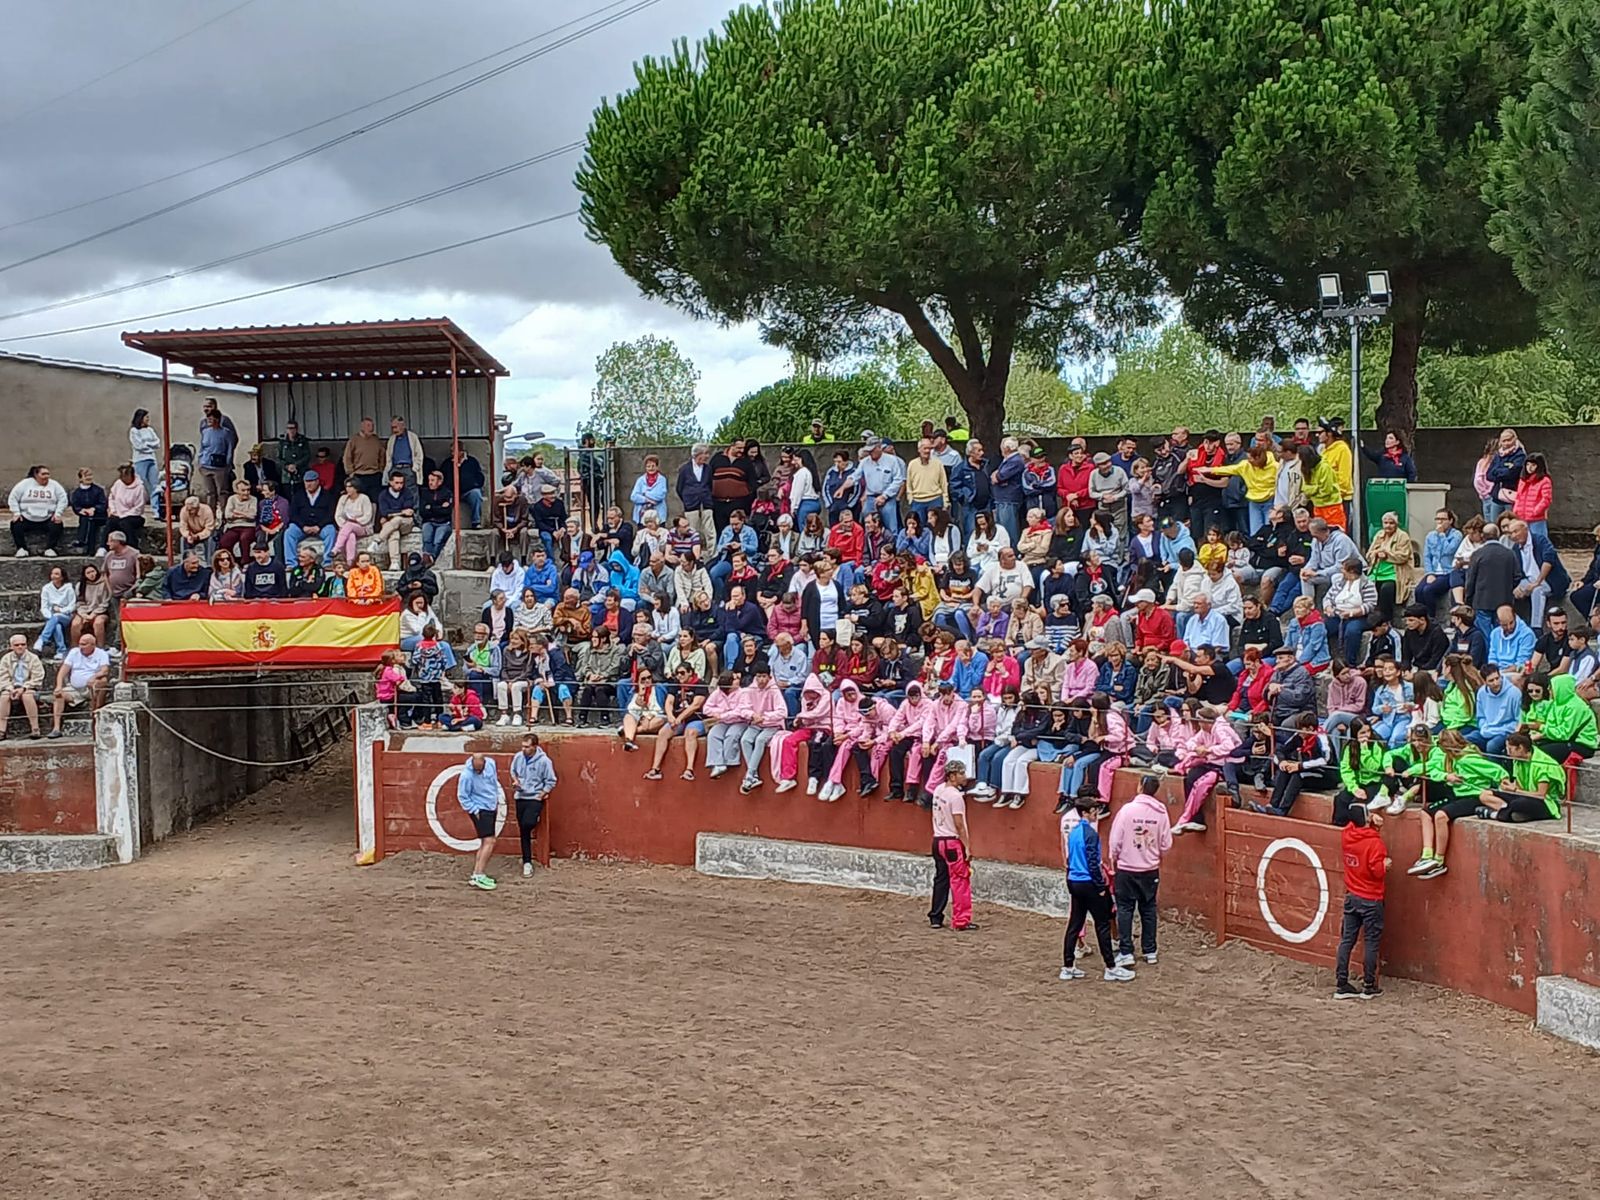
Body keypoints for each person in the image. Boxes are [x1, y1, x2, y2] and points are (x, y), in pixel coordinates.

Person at [1107, 772, 1171, 968]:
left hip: (1127, 867)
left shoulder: (1127, 810)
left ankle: (1126, 951)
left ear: (1140, 787)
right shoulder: (1161, 813)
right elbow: (1166, 843)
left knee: (1125, 909)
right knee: (1148, 908)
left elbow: (1115, 840)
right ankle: (1150, 950)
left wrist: (1114, 858)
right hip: (1150, 869)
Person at [1333, 805, 1389, 999]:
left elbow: (1352, 825)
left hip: (1352, 896)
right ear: (1366, 819)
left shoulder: (1347, 835)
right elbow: (1377, 872)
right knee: (1371, 942)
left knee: (1347, 940)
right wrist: (1385, 864)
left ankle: (1341, 983)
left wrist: (1370, 821)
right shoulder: (1375, 844)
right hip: (1371, 898)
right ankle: (1369, 985)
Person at [927, 760, 975, 931]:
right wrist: (967, 846)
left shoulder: (939, 790)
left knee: (941, 879)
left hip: (938, 840)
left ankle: (936, 916)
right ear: (952, 776)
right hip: (951, 842)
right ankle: (961, 920)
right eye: (961, 773)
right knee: (960, 880)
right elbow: (959, 824)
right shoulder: (955, 796)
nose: (964, 776)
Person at [506, 733, 557, 878]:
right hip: (520, 796)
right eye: (523, 746)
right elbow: (513, 771)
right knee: (523, 829)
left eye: (527, 747)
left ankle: (527, 861)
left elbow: (551, 780)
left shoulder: (544, 761)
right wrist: (516, 781)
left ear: (535, 747)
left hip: (534, 797)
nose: (524, 749)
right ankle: (526, 861)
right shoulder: (518, 757)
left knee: (527, 824)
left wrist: (541, 794)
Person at [49, 632, 110, 738]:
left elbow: (105, 670)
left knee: (102, 681)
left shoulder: (101, 654)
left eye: (84, 644)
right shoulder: (74, 652)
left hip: (91, 687)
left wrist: (94, 677)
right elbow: (63, 671)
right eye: (80, 644)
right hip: (74, 689)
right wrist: (58, 686)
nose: (81, 647)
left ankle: (96, 720)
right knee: (59, 695)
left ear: (92, 645)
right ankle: (56, 728)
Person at [456, 753, 503, 891]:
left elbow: (493, 782)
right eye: (475, 769)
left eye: (480, 768)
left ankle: (477, 873)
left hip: (490, 806)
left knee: (485, 841)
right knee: (490, 841)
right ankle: (479, 874)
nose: (478, 771)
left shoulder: (491, 764)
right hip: (480, 809)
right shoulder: (466, 775)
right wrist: (475, 811)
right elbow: (462, 796)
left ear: (484, 762)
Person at [9, 465, 68, 558]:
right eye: (43, 474)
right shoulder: (24, 484)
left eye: (48, 474)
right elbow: (13, 498)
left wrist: (58, 514)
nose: (46, 476)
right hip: (27, 517)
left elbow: (63, 499)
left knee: (57, 525)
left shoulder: (54, 485)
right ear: (36, 475)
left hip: (47, 518)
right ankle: (21, 549)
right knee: (15, 524)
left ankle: (50, 548)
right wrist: (16, 513)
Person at [0, 634, 46, 740]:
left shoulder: (33, 658)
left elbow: (38, 677)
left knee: (27, 696)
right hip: (11, 688)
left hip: (30, 688)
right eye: (17, 645)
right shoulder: (6, 659)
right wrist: (11, 689)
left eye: (22, 644)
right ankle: (1, 730)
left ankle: (35, 729)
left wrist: (24, 688)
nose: (20, 647)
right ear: (11, 646)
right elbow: (2, 677)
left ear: (26, 646)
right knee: (4, 696)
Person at [342, 416, 385, 504]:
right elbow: (347, 457)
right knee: (360, 500)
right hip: (359, 475)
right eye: (368, 425)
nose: (371, 428)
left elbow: (382, 455)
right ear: (362, 427)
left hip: (374, 474)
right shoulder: (354, 440)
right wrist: (350, 472)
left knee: (375, 500)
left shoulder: (376, 440)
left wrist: (381, 469)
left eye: (372, 426)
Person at [129, 408, 162, 501]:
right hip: (140, 460)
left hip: (151, 459)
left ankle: (156, 507)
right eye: (146, 417)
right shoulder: (134, 431)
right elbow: (138, 446)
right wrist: (150, 446)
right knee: (141, 482)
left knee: (154, 483)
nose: (148, 419)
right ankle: (140, 502)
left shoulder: (150, 430)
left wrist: (147, 444)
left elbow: (157, 443)